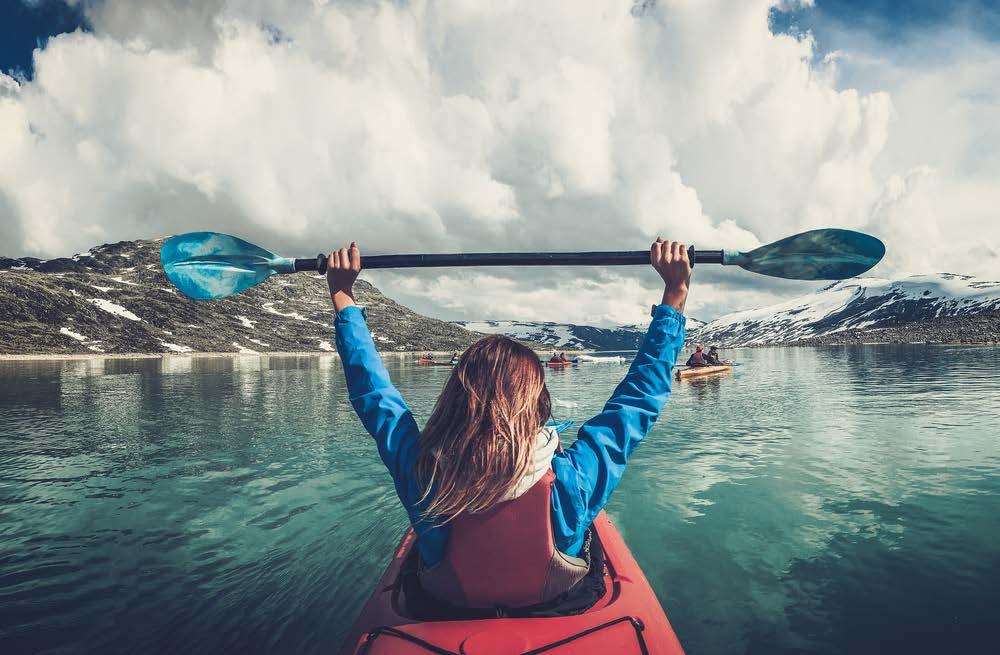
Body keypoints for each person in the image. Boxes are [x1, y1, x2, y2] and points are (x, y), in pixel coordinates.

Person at [327, 238, 690, 614]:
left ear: (455, 399)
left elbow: (374, 395)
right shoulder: (572, 478)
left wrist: (342, 295)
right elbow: (638, 398)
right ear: (536, 403)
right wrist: (675, 292)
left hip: (448, 605)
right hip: (556, 602)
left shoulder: (422, 471)